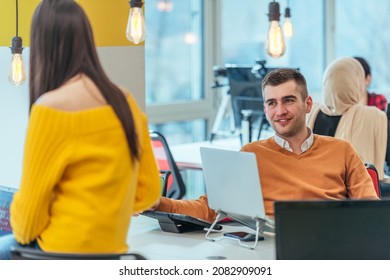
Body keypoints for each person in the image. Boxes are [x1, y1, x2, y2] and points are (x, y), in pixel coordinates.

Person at [0, 0, 160, 260]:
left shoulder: (50, 109)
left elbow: (27, 224)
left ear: (42, 46)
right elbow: (149, 193)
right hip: (110, 254)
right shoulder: (125, 101)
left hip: (57, 256)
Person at [152, 68, 378, 223]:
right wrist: (158, 203)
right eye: (272, 103)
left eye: (288, 100)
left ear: (308, 104)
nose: (280, 111)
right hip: (267, 251)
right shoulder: (251, 154)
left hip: (327, 246)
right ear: (265, 109)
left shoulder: (342, 150)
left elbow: (370, 212)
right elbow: (208, 208)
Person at [307, 57, 389, 180]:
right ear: (358, 84)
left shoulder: (310, 114)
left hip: (313, 193)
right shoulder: (374, 117)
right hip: (360, 195)